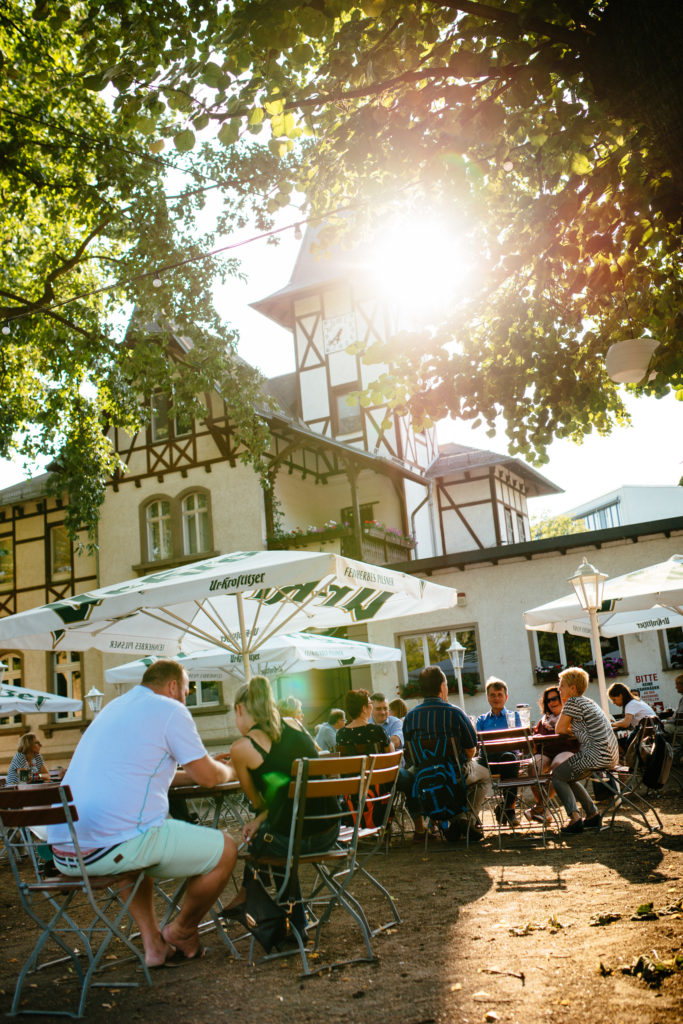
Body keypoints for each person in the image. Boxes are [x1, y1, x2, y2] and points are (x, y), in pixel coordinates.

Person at [47, 659, 237, 967]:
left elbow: (141, 771)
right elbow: (209, 778)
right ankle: (182, 931)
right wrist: (229, 769)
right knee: (226, 850)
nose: (186, 698)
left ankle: (153, 945)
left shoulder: (112, 709)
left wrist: (196, 766)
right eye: (187, 691)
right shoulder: (171, 709)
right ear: (173, 686)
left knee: (133, 837)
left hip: (66, 851)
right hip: (115, 846)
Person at [222, 675, 339, 934]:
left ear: (240, 709)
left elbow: (258, 802)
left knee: (261, 840)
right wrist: (261, 819)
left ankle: (261, 905)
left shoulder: (242, 747)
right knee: (271, 834)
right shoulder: (296, 725)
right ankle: (292, 921)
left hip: (292, 840)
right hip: (329, 830)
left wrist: (258, 818)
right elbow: (292, 790)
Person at [403, 666, 491, 842]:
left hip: (424, 776)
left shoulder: (410, 717)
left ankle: (455, 822)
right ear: (442, 687)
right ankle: (466, 820)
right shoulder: (454, 712)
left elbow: (409, 752)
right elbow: (471, 748)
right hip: (455, 773)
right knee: (485, 776)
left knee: (440, 781)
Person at [552, 666, 619, 835]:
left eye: (562, 685)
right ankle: (592, 814)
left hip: (594, 755)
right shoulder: (589, 702)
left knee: (558, 776)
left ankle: (575, 819)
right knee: (568, 776)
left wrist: (570, 731)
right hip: (610, 755)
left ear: (572, 688)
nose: (559, 689)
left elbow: (559, 729)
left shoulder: (573, 702)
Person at [524, 686, 578, 824]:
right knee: (532, 766)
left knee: (557, 767)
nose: (551, 702)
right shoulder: (544, 720)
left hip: (567, 750)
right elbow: (536, 738)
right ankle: (544, 809)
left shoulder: (570, 716)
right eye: (548, 700)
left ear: (562, 699)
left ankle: (541, 807)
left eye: (555, 698)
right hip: (547, 752)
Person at [476, 677, 522, 826]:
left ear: (506, 697)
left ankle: (508, 809)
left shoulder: (514, 717)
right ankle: (471, 815)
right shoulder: (481, 720)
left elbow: (520, 740)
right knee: (468, 767)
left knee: (509, 757)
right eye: (492, 695)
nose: (496, 698)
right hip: (488, 761)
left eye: (499, 694)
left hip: (508, 759)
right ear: (487, 697)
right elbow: (477, 745)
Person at [334, 689, 391, 754]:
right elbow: (392, 757)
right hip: (374, 764)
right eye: (370, 703)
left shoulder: (341, 734)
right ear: (364, 708)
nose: (372, 706)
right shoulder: (378, 731)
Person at [607, 682, 657, 748]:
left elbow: (626, 723)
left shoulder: (630, 704)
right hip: (650, 729)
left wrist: (610, 724)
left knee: (620, 744)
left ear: (621, 695)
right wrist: (616, 724)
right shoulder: (634, 701)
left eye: (614, 699)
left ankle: (627, 757)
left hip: (644, 732)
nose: (613, 702)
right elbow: (628, 723)